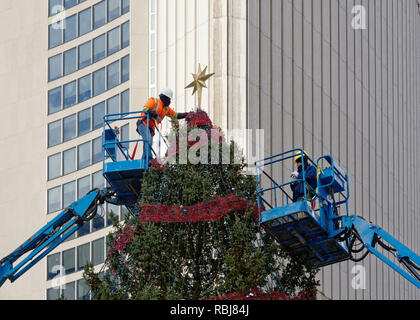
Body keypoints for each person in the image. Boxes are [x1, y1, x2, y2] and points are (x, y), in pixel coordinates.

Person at [137, 88, 188, 163]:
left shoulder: (166, 109)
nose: (169, 101)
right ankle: (149, 160)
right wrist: (156, 116)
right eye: (169, 99)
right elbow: (145, 109)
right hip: (143, 124)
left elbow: (175, 115)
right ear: (164, 97)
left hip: (151, 128)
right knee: (148, 140)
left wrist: (187, 114)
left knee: (148, 143)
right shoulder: (154, 101)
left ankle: (144, 161)